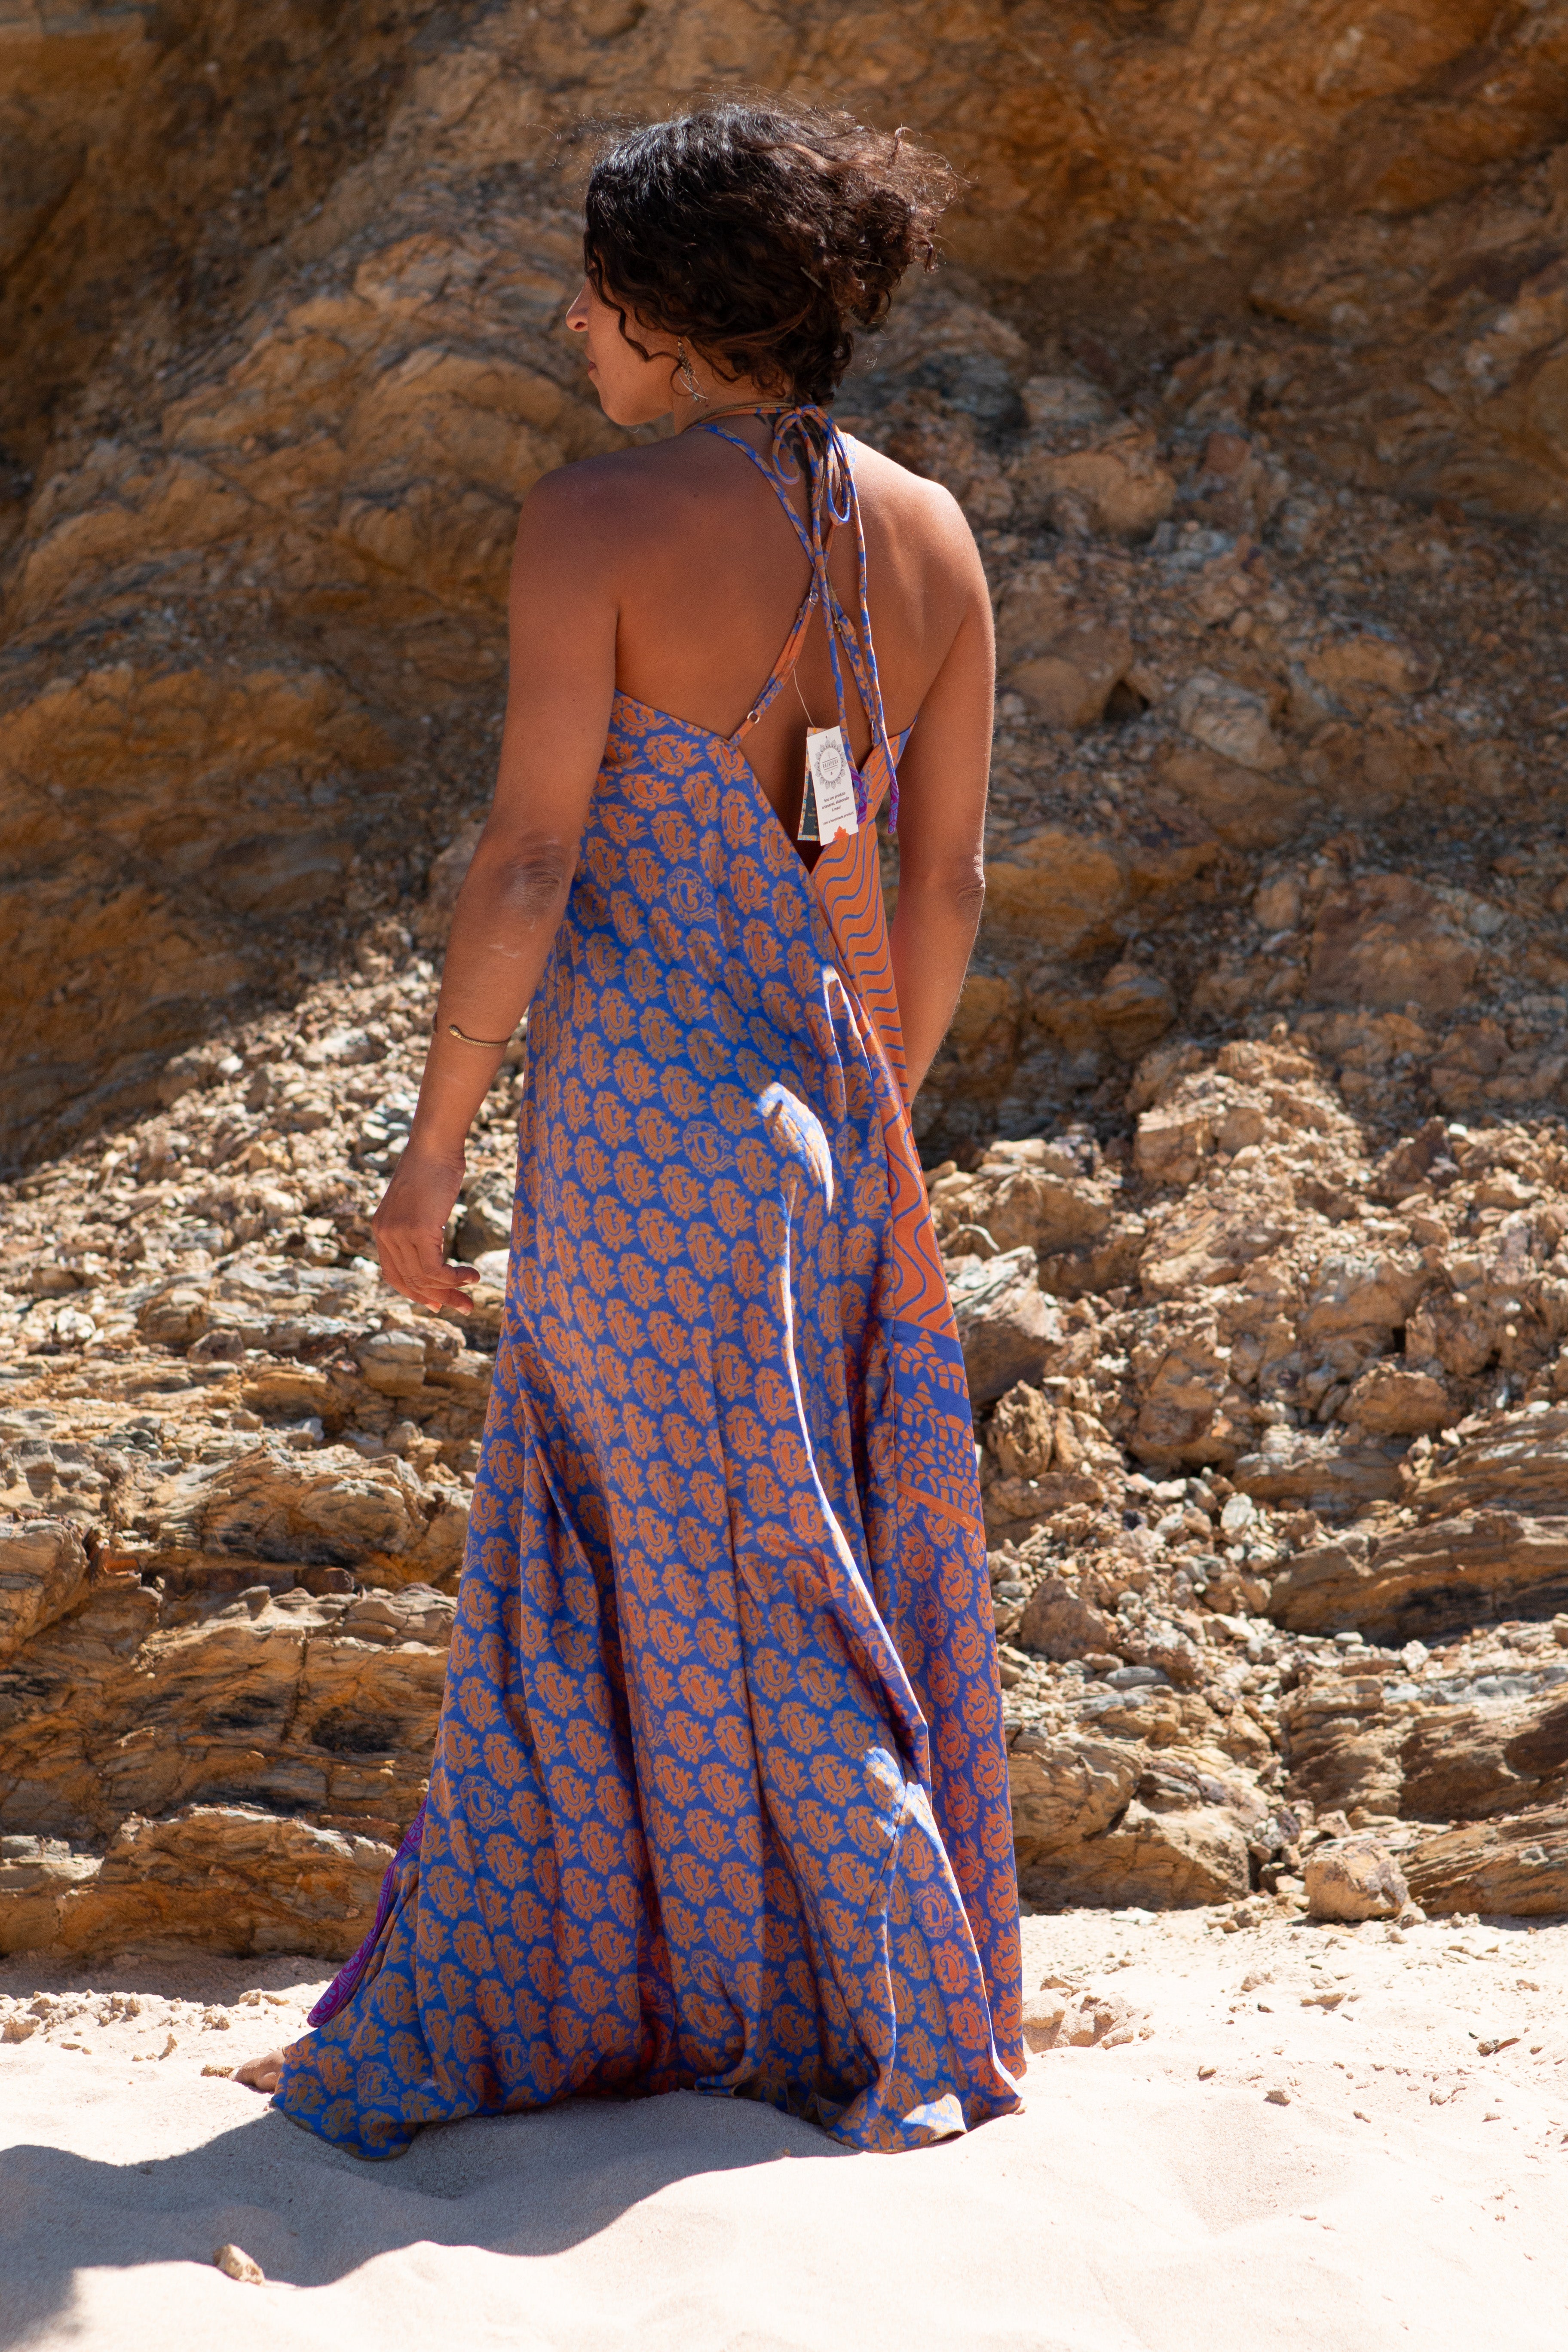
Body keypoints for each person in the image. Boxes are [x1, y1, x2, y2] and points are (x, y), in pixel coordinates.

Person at [239, 97, 1023, 2157]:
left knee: (625, 1574)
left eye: (594, 293)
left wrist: (432, 1151)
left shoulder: (594, 523)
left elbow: (527, 857)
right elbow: (940, 886)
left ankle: (731, 2008)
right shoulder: (934, 535)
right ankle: (821, 2001)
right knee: (801, 1562)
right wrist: (872, 1112)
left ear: (672, 314)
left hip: (636, 1139)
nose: (573, 326)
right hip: (834, 1133)